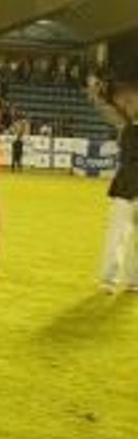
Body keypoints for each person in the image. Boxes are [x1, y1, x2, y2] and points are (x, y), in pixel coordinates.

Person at [86, 70, 138, 293]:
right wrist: (96, 92)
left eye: (131, 100)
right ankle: (109, 279)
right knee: (117, 234)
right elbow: (106, 106)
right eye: (127, 100)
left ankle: (134, 279)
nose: (128, 103)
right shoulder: (124, 125)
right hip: (124, 187)